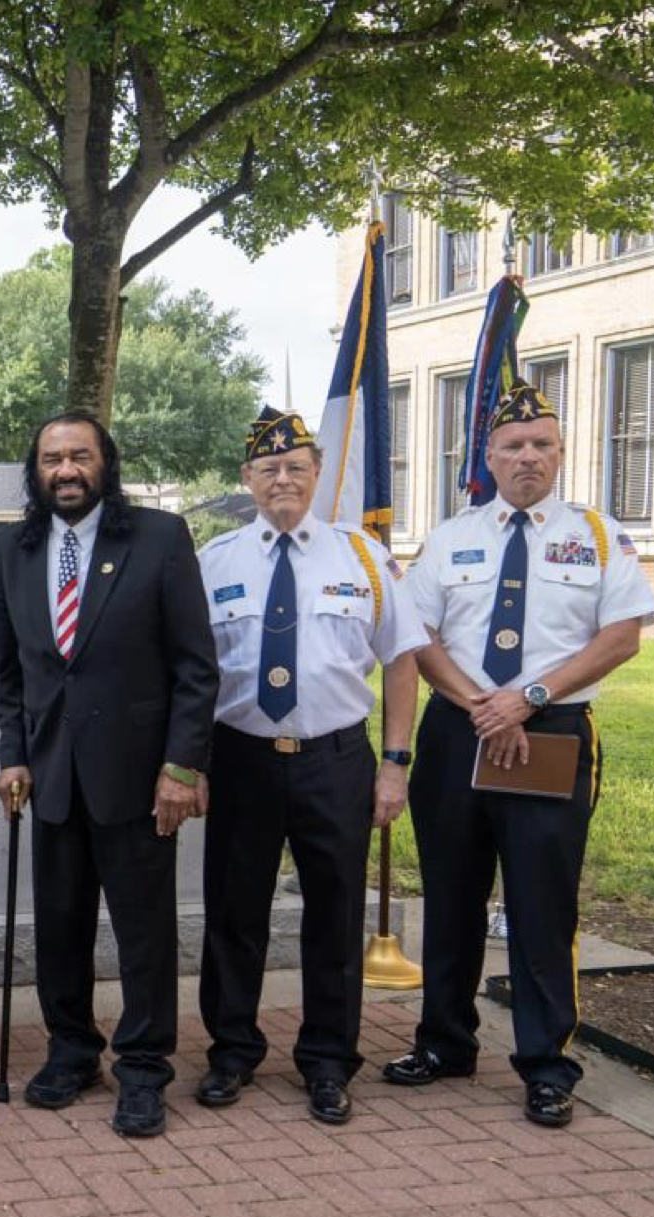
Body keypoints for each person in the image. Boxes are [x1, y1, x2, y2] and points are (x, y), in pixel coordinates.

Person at [387, 383, 654, 1127]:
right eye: (513, 446)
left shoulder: (597, 537)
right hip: (459, 731)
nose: (528, 457)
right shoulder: (451, 536)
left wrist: (527, 697)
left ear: (561, 453)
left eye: (542, 444)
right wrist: (482, 703)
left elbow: (623, 635)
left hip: (550, 733)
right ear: (489, 457)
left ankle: (546, 1065)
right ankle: (444, 1042)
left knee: (542, 902)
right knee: (450, 894)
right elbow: (419, 635)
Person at [0, 410, 218, 1137]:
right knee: (59, 926)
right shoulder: (8, 548)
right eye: (52, 459)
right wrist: (12, 753)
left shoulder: (157, 538)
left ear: (104, 463)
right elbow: (9, 673)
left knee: (143, 931)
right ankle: (72, 1049)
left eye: (80, 456)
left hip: (138, 777)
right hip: (49, 774)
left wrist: (181, 767)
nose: (66, 471)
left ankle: (144, 1067)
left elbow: (195, 667)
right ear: (36, 470)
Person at [194, 408, 425, 1126]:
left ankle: (328, 1061)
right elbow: (192, 672)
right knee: (235, 914)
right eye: (268, 468)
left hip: (335, 759)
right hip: (240, 760)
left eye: (296, 466)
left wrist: (394, 764)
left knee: (333, 916)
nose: (283, 479)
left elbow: (403, 659)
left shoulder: (364, 557)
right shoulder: (214, 560)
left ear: (318, 473)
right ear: (248, 480)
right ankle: (232, 1051)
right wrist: (190, 763)